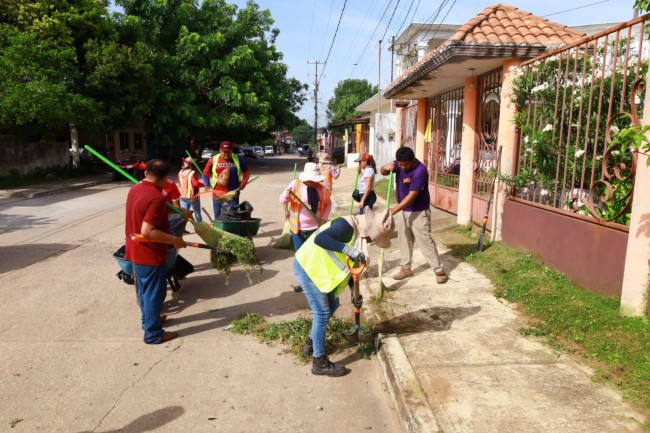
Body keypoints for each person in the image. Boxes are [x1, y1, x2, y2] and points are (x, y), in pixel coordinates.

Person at [293, 207, 395, 376]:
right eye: (374, 238)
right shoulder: (346, 226)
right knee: (322, 312)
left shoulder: (356, 232)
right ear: (370, 230)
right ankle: (319, 362)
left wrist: (355, 294)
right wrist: (348, 250)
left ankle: (311, 342)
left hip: (317, 268)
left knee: (333, 304)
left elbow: (349, 266)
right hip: (307, 266)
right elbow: (321, 239)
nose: (371, 242)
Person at [125, 159, 186, 344]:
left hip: (135, 249)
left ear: (145, 173)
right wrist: (174, 240)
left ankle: (149, 320)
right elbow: (148, 231)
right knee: (154, 294)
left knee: (144, 291)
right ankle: (153, 334)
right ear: (166, 178)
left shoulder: (135, 189)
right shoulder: (156, 197)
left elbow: (150, 213)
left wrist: (179, 211)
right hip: (150, 254)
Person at [380, 146, 448, 283]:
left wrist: (393, 210)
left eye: (405, 164)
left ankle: (438, 270)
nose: (402, 167)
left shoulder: (420, 171)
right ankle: (406, 268)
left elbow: (412, 196)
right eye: (400, 164)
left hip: (419, 211)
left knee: (425, 241)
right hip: (403, 211)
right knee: (404, 240)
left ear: (413, 160)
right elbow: (384, 173)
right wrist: (385, 168)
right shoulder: (399, 163)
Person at [280, 162, 332, 292]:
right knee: (302, 257)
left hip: (315, 229)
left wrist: (324, 218)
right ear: (307, 179)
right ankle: (304, 283)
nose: (316, 183)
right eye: (313, 180)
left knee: (315, 256)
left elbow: (328, 204)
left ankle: (316, 281)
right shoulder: (295, 185)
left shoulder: (322, 188)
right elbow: (282, 200)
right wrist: (286, 196)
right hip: (297, 230)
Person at [202, 140, 250, 218]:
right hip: (217, 193)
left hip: (233, 192)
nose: (226, 154)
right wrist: (207, 185)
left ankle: (231, 229)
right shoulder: (213, 160)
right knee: (217, 214)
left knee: (233, 214)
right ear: (220, 150)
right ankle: (218, 228)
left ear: (232, 150)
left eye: (228, 152)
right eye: (224, 152)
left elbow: (247, 171)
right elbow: (205, 174)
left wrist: (243, 182)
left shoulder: (238, 158)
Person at [178, 157, 204, 222]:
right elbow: (195, 184)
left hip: (182, 196)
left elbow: (180, 183)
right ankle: (201, 227)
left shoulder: (180, 172)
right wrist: (204, 184)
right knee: (197, 212)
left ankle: (181, 228)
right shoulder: (192, 173)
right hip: (192, 196)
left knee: (184, 214)